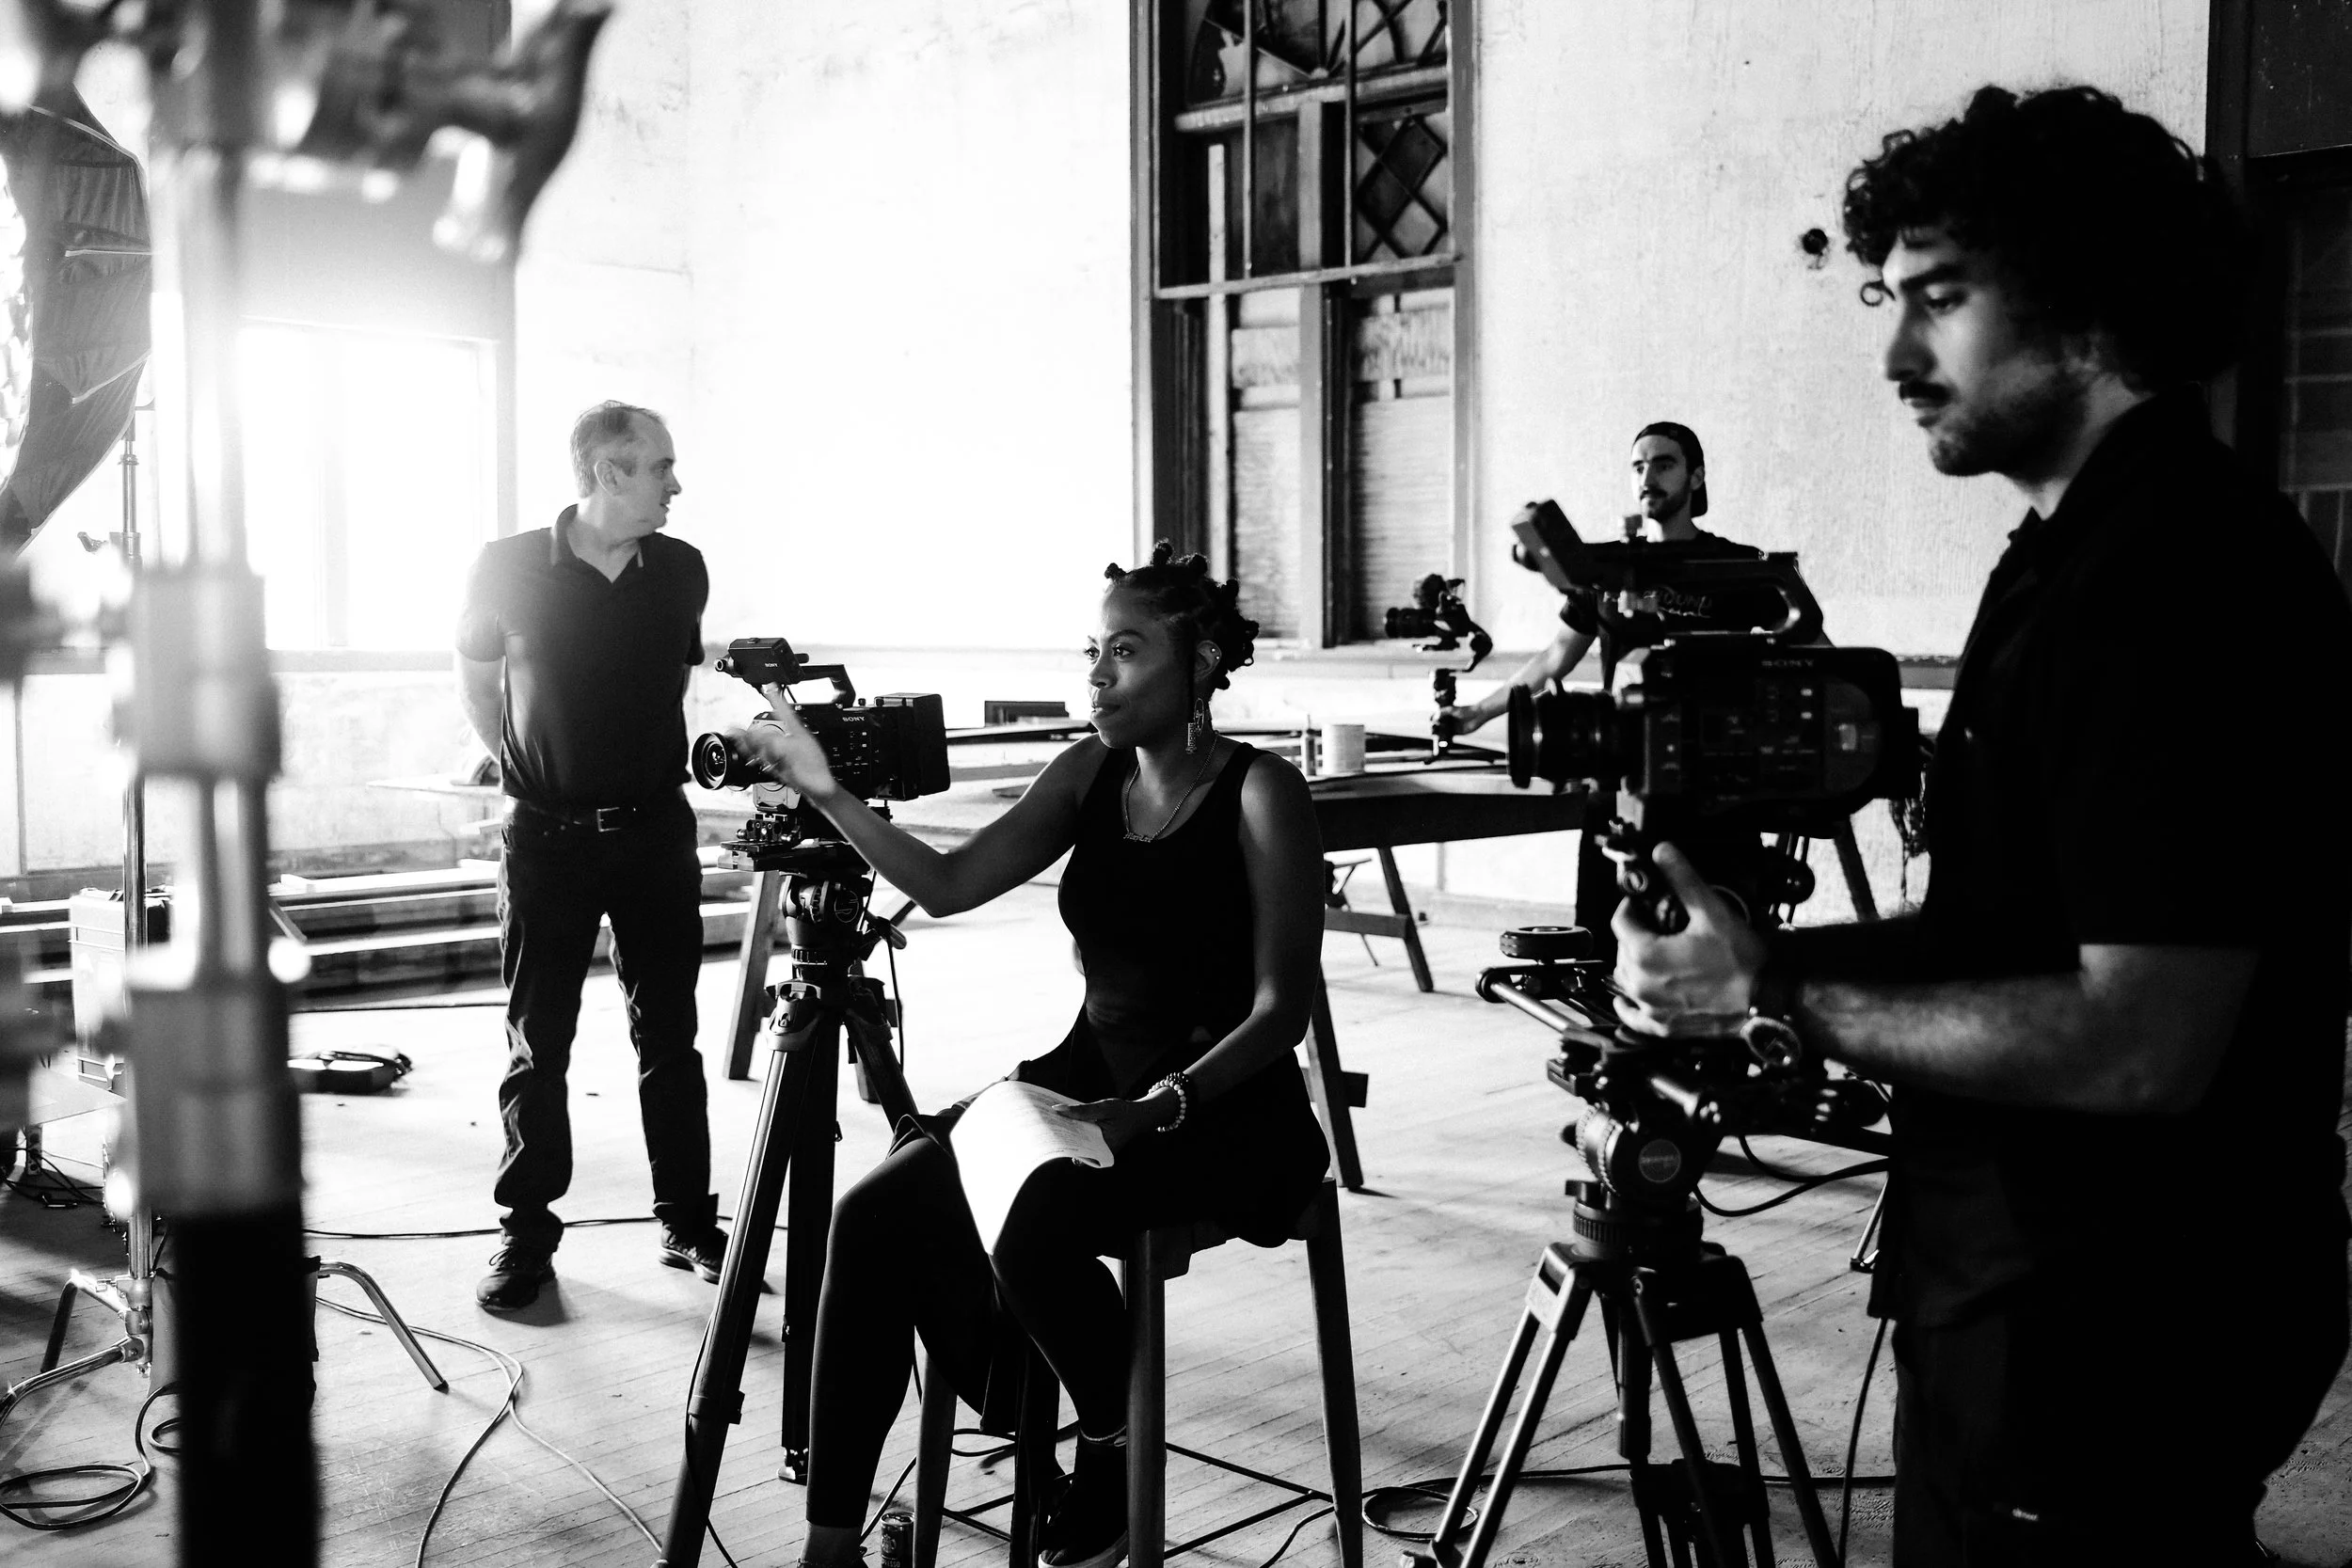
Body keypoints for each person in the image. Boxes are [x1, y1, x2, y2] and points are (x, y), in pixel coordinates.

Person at [1612, 86, 2351, 1565]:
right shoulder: (2065, 550)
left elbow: (2138, 1039)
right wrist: (1770, 956)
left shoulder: (2172, 578)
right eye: (1890, 300)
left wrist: (1780, 992)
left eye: (1940, 300)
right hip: (2027, 1278)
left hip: (2116, 1322)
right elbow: (2009, 928)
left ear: (2090, 307)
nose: (1897, 356)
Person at [741, 544, 1328, 1568]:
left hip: (1221, 1106)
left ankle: (1108, 1450)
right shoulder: (1087, 774)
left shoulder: (1261, 791)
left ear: (1197, 664)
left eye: (1126, 651)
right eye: (1092, 650)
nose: (1097, 674)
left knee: (1031, 1210)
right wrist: (828, 792)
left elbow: (1283, 1013)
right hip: (1085, 1080)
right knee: (874, 1216)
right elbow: (949, 882)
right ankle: (830, 1550)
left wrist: (1154, 1107)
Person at [455, 401, 727, 1313]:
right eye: (660, 466)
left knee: (671, 1036)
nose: (675, 484)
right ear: (609, 473)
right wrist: (527, 768)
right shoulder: (507, 564)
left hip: (656, 832)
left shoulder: (682, 569)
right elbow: (476, 678)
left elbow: (671, 680)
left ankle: (687, 1220)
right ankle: (526, 1233)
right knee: (539, 1041)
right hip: (547, 838)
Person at [1444, 420, 1778, 733]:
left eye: (1663, 466)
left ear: (1696, 477)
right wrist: (1480, 711)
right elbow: (1556, 656)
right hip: (1621, 747)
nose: (1647, 480)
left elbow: (1804, 648)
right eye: (1638, 468)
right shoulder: (1603, 568)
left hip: (1714, 747)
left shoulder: (1738, 564)